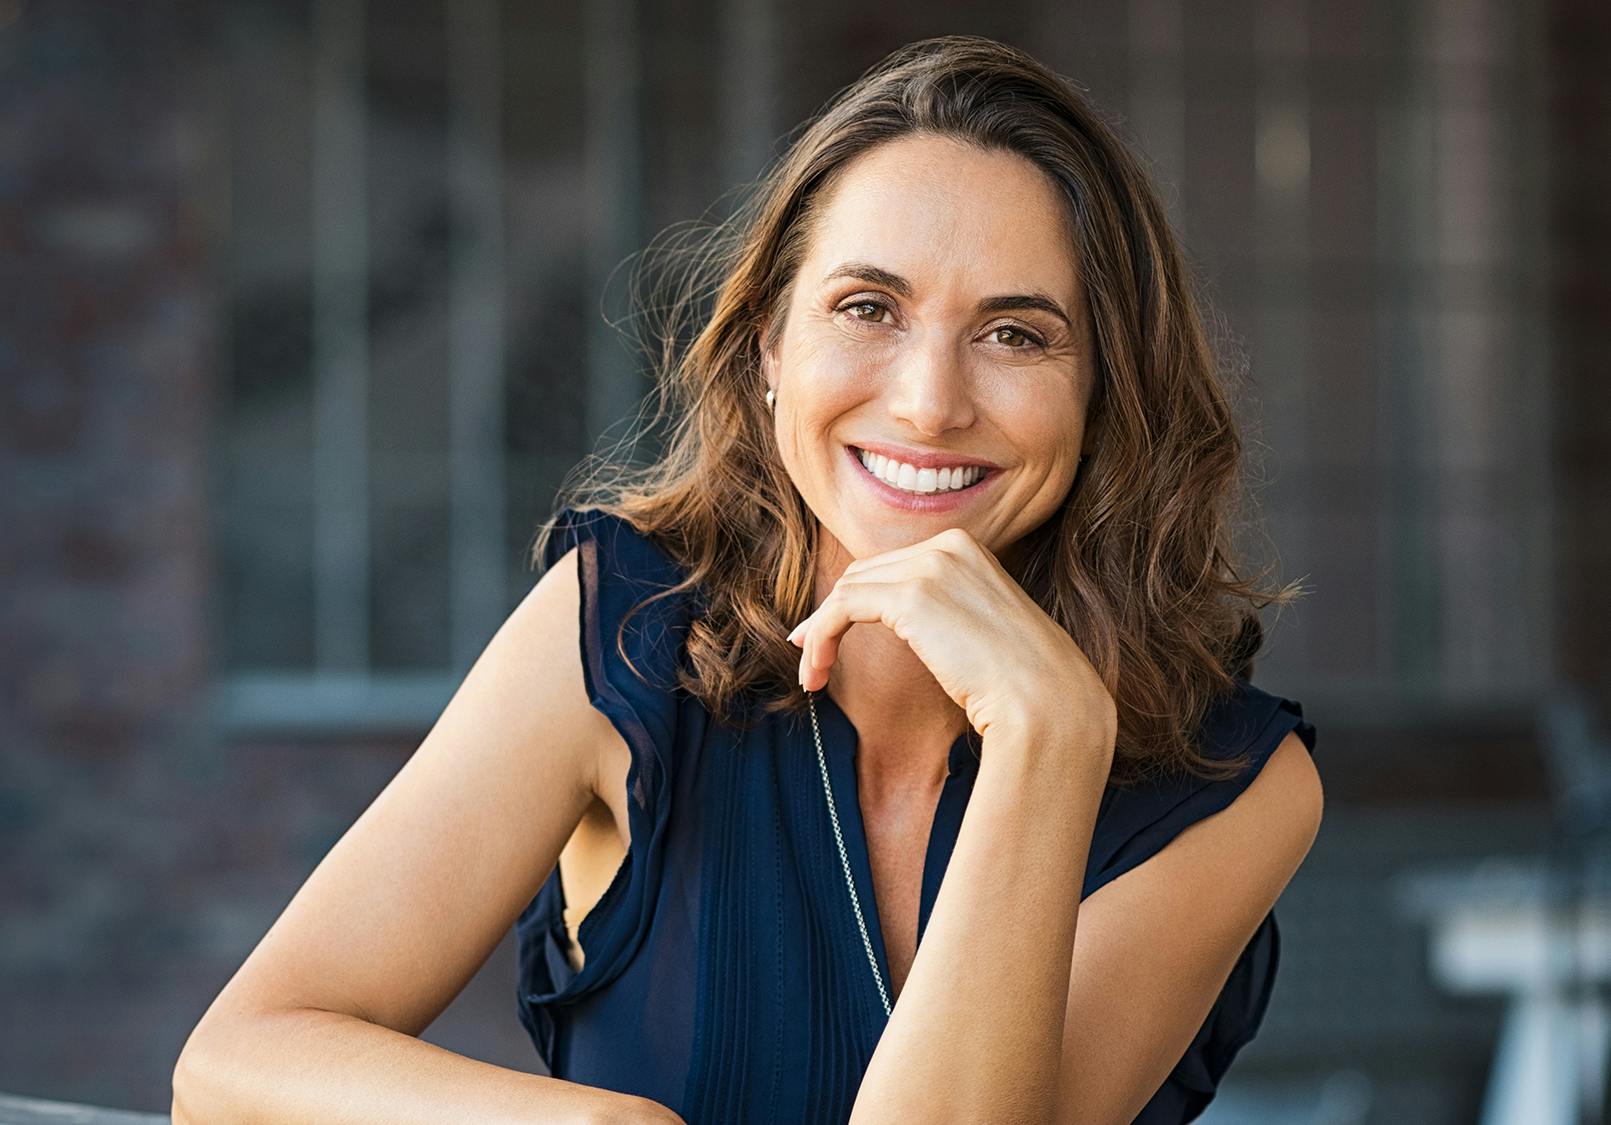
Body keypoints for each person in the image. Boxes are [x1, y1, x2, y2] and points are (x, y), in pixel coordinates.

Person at [173, 34, 1323, 1125]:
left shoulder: (1237, 782)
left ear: (1104, 393)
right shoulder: (621, 627)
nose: (929, 402)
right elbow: (236, 1065)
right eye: (866, 308)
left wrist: (1046, 741)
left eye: (1017, 334)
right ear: (771, 351)